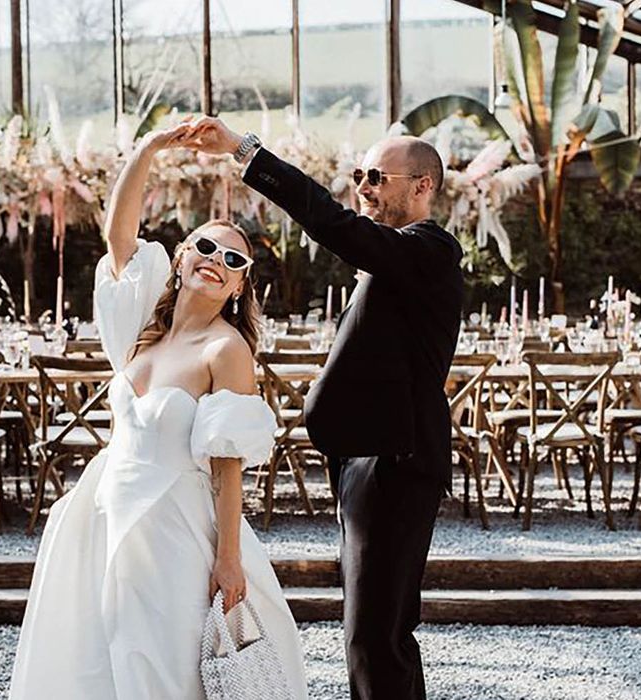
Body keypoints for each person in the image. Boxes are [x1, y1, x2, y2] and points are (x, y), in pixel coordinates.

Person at [9, 123, 308, 700]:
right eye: (204, 246)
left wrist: (228, 559)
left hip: (173, 524)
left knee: (163, 663)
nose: (215, 260)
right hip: (104, 510)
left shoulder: (227, 350)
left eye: (232, 260)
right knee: (97, 660)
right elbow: (119, 235)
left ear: (241, 286)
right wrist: (149, 150)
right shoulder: (145, 327)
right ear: (178, 257)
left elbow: (227, 465)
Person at [181, 119, 463, 700]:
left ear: (423, 186)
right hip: (370, 460)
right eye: (360, 174)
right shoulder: (396, 262)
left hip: (396, 459)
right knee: (378, 632)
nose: (363, 187)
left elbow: (332, 224)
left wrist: (245, 151)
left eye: (377, 177)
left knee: (373, 636)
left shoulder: (430, 250)